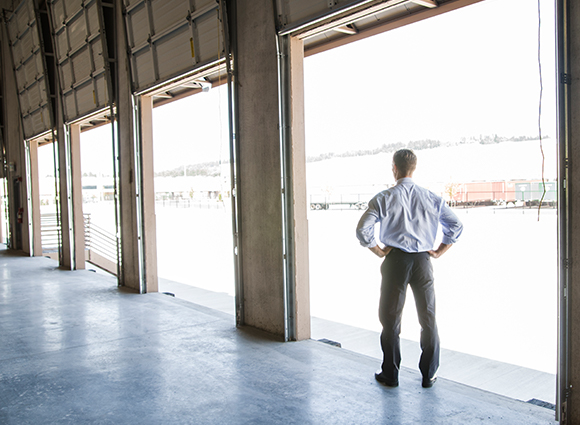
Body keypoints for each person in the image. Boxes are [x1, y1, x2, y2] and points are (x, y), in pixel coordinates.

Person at [356, 149, 463, 388]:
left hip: (396, 261)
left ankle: (390, 374)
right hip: (422, 262)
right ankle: (428, 374)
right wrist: (437, 251)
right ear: (414, 169)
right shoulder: (431, 198)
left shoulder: (384, 197)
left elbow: (363, 230)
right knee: (428, 318)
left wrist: (380, 251)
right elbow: (455, 225)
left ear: (394, 168)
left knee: (390, 319)